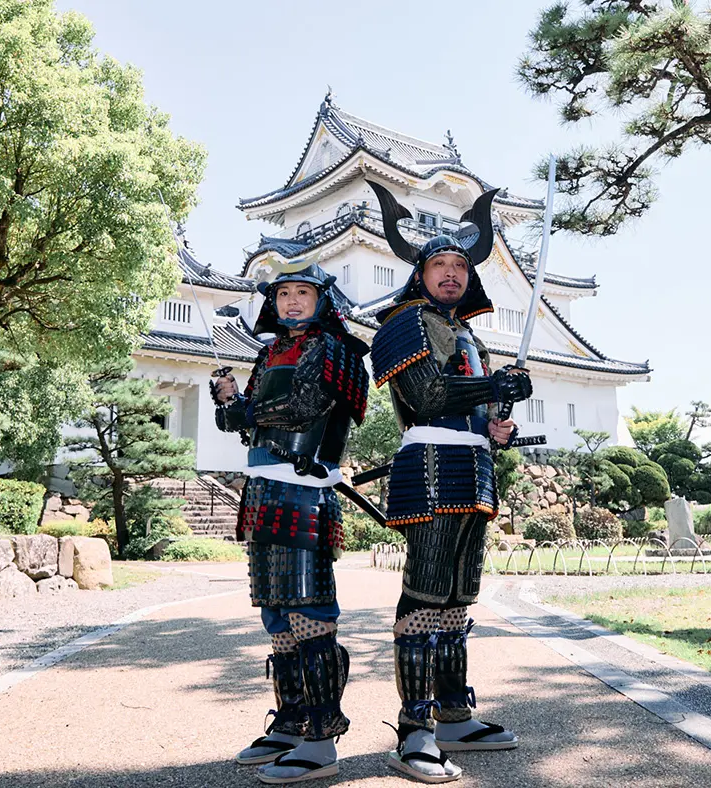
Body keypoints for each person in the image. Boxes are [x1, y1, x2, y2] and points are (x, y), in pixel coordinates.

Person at [367, 181, 534, 783]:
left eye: (461, 265)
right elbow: (429, 396)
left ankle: (455, 715)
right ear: (419, 273)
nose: (451, 273)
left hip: (475, 469)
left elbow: (474, 410)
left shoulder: (471, 337)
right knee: (426, 594)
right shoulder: (403, 323)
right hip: (431, 467)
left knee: (460, 598)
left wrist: (498, 424)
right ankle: (414, 729)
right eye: (439, 264)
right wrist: (494, 386)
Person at [212, 259, 369, 785]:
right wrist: (231, 402)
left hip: (305, 490)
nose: (292, 301)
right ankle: (292, 720)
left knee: (309, 612)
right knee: (276, 614)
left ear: (323, 300)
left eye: (303, 292)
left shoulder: (335, 348)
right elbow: (247, 423)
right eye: (283, 294)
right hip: (262, 488)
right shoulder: (270, 351)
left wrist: (248, 411)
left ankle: (322, 738)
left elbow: (306, 405)